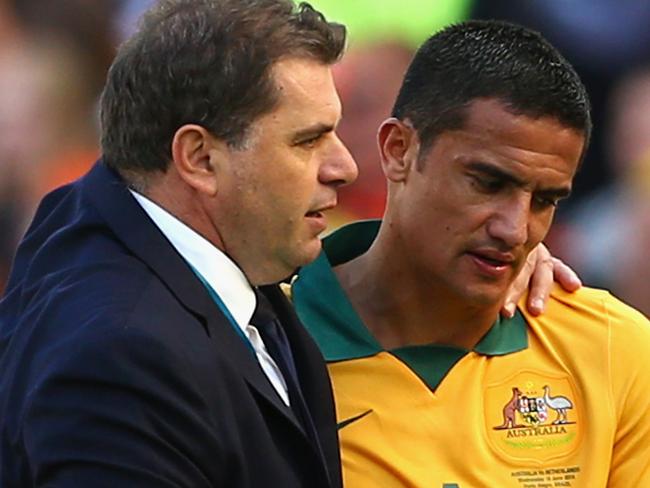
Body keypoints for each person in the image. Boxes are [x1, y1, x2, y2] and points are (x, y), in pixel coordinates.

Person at [0, 0, 357, 486]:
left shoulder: (116, 230)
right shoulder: (119, 355)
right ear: (200, 159)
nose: (344, 168)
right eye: (307, 141)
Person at [291, 20, 650, 487]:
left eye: (545, 200)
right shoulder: (264, 345)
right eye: (488, 183)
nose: (515, 229)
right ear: (398, 149)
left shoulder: (614, 349)